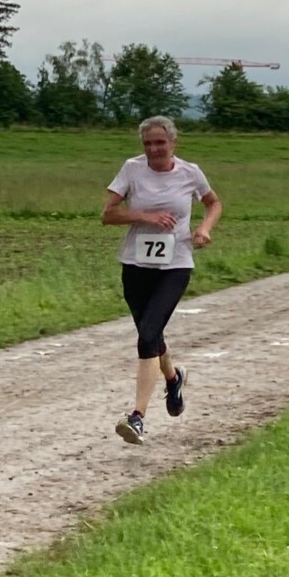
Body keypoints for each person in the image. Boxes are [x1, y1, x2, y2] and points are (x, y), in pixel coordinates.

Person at [102, 115, 222, 446]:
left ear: (173, 143)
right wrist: (144, 216)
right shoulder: (132, 169)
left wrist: (204, 228)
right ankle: (173, 378)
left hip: (175, 265)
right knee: (151, 335)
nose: (154, 149)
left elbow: (213, 203)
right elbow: (107, 214)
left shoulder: (190, 172)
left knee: (147, 337)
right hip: (135, 265)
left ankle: (137, 417)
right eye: (148, 144)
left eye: (160, 142)